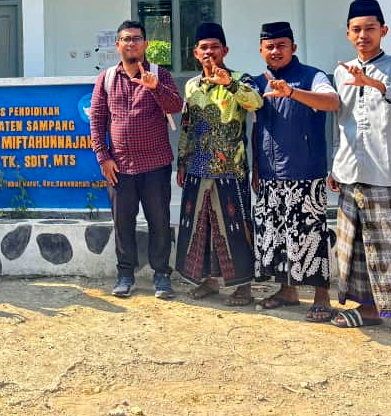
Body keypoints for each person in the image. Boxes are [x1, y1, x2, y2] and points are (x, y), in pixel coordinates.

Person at [329, 0, 391, 342]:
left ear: (383, 31)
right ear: (347, 33)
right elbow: (341, 123)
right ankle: (368, 311)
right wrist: (335, 164)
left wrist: (378, 86)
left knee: (390, 246)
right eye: (356, 29)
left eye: (370, 28)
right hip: (349, 173)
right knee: (354, 247)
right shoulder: (341, 71)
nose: (363, 35)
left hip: (385, 174)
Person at [251, 22, 339, 321]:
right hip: (268, 174)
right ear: (261, 50)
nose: (275, 51)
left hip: (305, 171)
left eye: (281, 46)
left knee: (311, 234)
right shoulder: (257, 81)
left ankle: (322, 296)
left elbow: (331, 102)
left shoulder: (313, 76)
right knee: (276, 235)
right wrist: (255, 169)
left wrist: (292, 92)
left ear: (293, 48)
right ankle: (287, 290)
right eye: (269, 46)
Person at [89, 20, 183, 298]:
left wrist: (155, 88)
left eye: (137, 39)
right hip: (119, 167)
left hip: (155, 165)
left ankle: (162, 275)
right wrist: (103, 157)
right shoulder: (105, 78)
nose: (131, 43)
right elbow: (96, 120)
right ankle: (125, 273)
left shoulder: (160, 74)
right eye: (126, 39)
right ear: (118, 44)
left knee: (159, 221)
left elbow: (176, 107)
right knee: (123, 223)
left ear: (146, 44)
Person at [174, 22, 263, 306]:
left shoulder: (240, 78)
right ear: (195, 53)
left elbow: (256, 103)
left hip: (230, 170)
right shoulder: (192, 85)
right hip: (197, 168)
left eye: (215, 47)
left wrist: (230, 84)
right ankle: (209, 281)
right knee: (202, 227)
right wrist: (182, 162)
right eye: (204, 48)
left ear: (225, 50)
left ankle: (243, 287)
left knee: (235, 227)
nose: (209, 52)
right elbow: (186, 125)